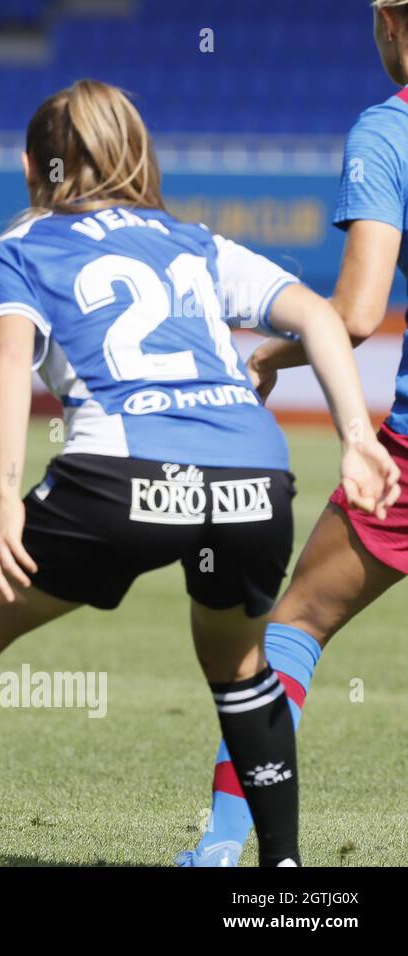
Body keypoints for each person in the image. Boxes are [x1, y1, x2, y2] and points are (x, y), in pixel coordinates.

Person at [0, 79, 398, 867]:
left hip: (118, 477)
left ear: (30, 167)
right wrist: (358, 437)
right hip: (253, 477)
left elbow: (9, 360)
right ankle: (283, 873)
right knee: (240, 666)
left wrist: (6, 496)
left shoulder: (17, 253)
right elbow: (326, 316)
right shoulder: (195, 243)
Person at [179, 0, 408, 866]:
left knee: (297, 620)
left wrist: (272, 356)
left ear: (389, 20)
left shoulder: (388, 133)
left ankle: (228, 844)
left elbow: (354, 312)